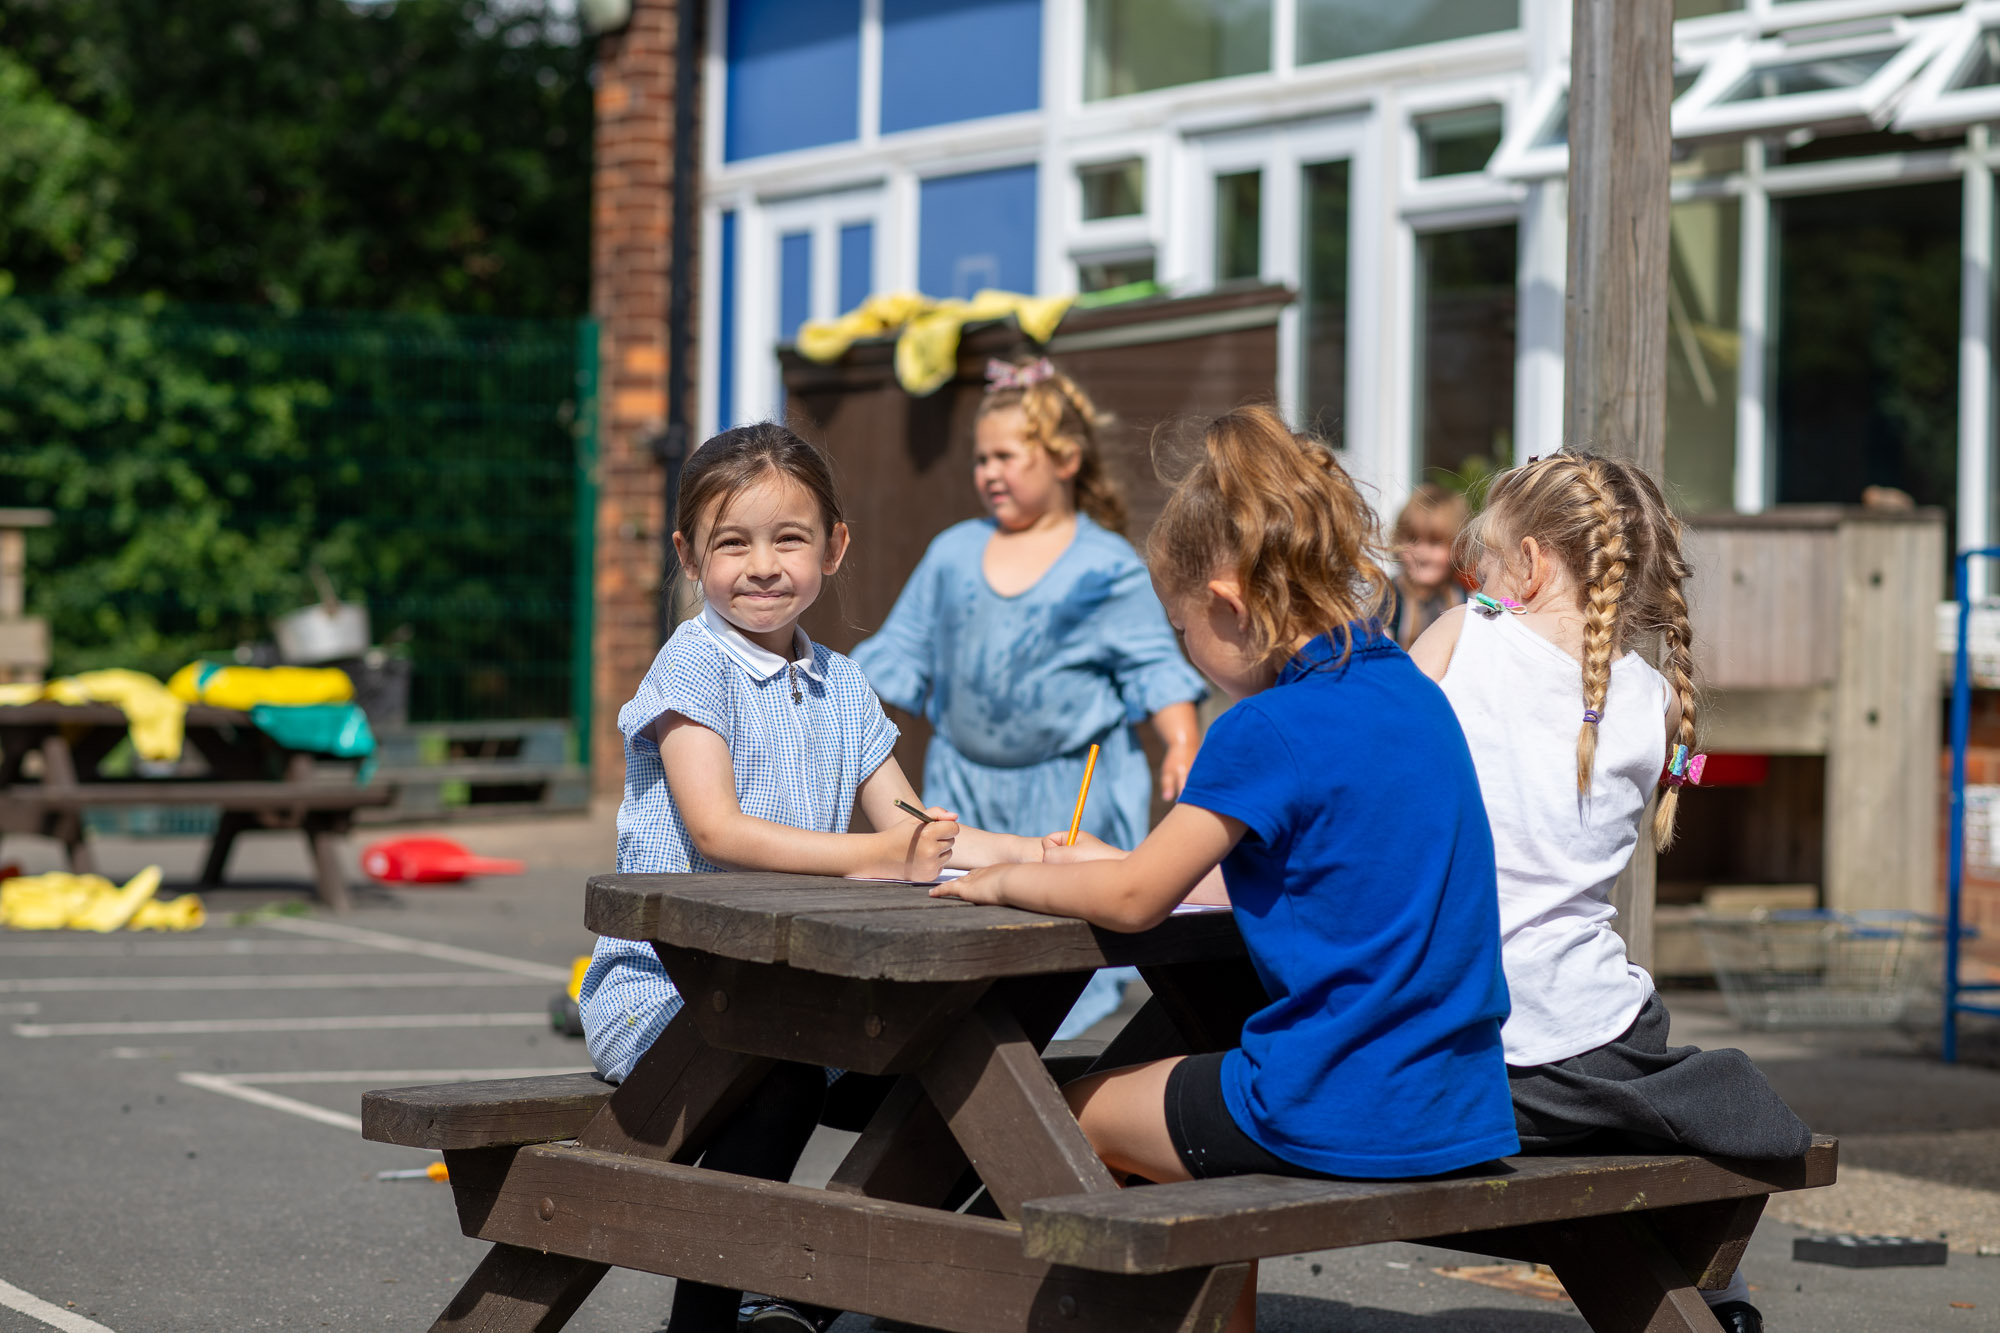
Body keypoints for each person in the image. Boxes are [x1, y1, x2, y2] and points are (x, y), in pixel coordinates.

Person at [935, 405, 1520, 1333]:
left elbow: (1134, 898)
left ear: (1227, 602)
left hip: (1334, 1099)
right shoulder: (1408, 690)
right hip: (1456, 1097)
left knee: (1063, 1112)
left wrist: (1003, 880)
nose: (1185, 655)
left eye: (1180, 629)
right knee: (1193, 1095)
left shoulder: (1261, 727)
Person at [578, 422, 1042, 1333]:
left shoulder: (844, 683)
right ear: (688, 555)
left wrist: (1039, 854)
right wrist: (876, 857)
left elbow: (914, 831)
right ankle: (719, 1314)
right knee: (776, 1078)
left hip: (801, 991)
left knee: (961, 1076)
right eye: (732, 542)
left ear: (834, 546)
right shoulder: (692, 667)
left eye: (788, 538)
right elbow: (719, 829)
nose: (762, 564)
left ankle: (823, 1295)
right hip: (670, 994)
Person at [1408, 449, 1812, 1333]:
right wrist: (1696, 766)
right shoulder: (1656, 700)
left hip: (1476, 1034)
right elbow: (1682, 766)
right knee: (1643, 1039)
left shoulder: (1456, 638)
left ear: (1535, 562)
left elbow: (1377, 769)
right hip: (1607, 1030)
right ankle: (1716, 1287)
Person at [853, 356, 1206, 1036]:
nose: (989, 471)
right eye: (981, 458)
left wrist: (1182, 740)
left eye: (1007, 455)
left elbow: (1154, 665)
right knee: (967, 948)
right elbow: (896, 656)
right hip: (965, 784)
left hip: (1065, 796)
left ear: (1065, 458)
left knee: (1056, 969)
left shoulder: (1103, 564)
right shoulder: (953, 552)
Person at [1389, 480, 1469, 647]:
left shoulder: (1461, 598)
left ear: (1458, 547)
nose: (1422, 553)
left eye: (1435, 543)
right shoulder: (1389, 596)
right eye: (1412, 540)